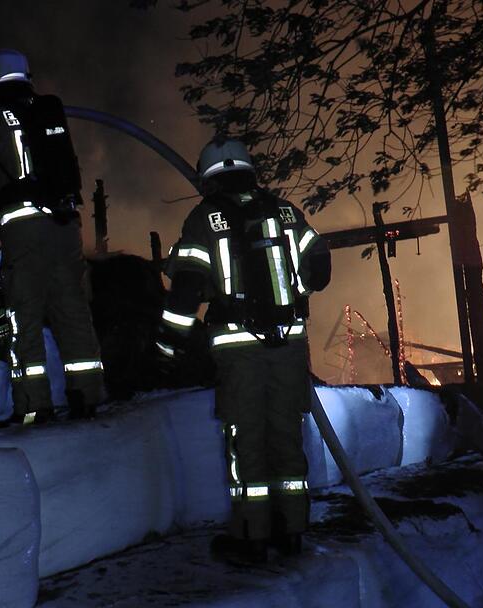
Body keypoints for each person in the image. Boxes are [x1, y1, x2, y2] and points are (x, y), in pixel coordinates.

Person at [157, 137, 332, 564]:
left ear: (207, 176)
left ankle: (252, 537)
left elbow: (187, 287)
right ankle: (291, 531)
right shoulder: (285, 211)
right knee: (286, 434)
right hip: (290, 343)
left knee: (246, 439)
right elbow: (320, 267)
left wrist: (168, 342)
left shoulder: (204, 218)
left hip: (239, 351)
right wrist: (293, 294)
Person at [0, 49, 103, 425]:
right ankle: (88, 396)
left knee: (23, 315)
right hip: (66, 225)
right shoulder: (45, 111)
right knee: (72, 311)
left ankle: (33, 406)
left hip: (26, 229)